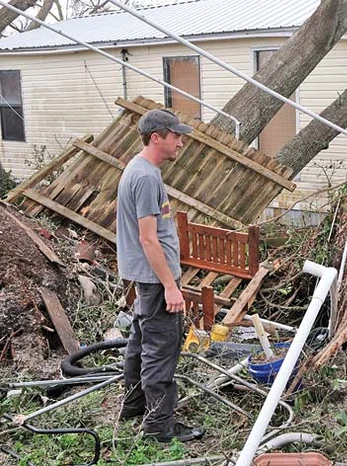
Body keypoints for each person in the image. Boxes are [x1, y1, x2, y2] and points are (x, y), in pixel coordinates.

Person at [116, 108, 204, 443]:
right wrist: (171, 286)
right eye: (176, 136)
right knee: (161, 350)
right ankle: (158, 428)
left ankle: (134, 406)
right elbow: (148, 238)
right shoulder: (146, 177)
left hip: (147, 276)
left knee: (140, 343)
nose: (181, 142)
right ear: (157, 137)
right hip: (156, 280)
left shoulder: (140, 170)